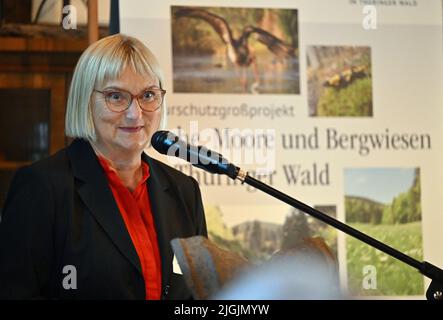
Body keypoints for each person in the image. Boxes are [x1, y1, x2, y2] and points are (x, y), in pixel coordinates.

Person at [0, 34, 207, 300]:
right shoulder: (42, 187)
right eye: (116, 97)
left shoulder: (184, 190)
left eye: (147, 95)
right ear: (86, 101)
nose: (135, 113)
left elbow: (200, 295)